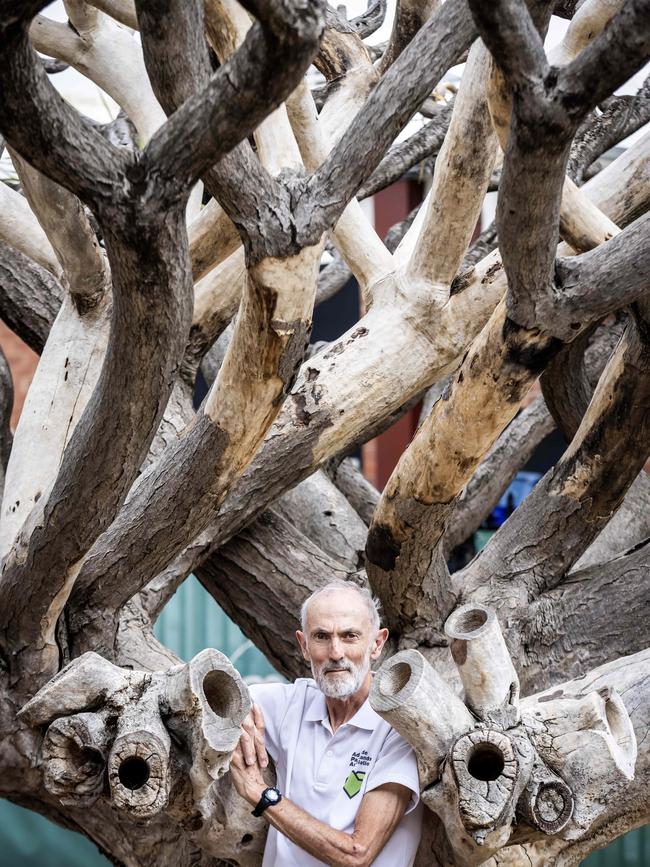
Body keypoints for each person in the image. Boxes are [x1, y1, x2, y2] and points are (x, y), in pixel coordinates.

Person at [229, 580, 423, 866]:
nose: (335, 653)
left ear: (377, 644)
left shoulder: (398, 727)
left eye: (349, 636)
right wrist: (234, 710)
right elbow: (214, 692)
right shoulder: (293, 704)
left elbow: (357, 853)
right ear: (304, 645)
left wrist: (260, 794)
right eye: (321, 636)